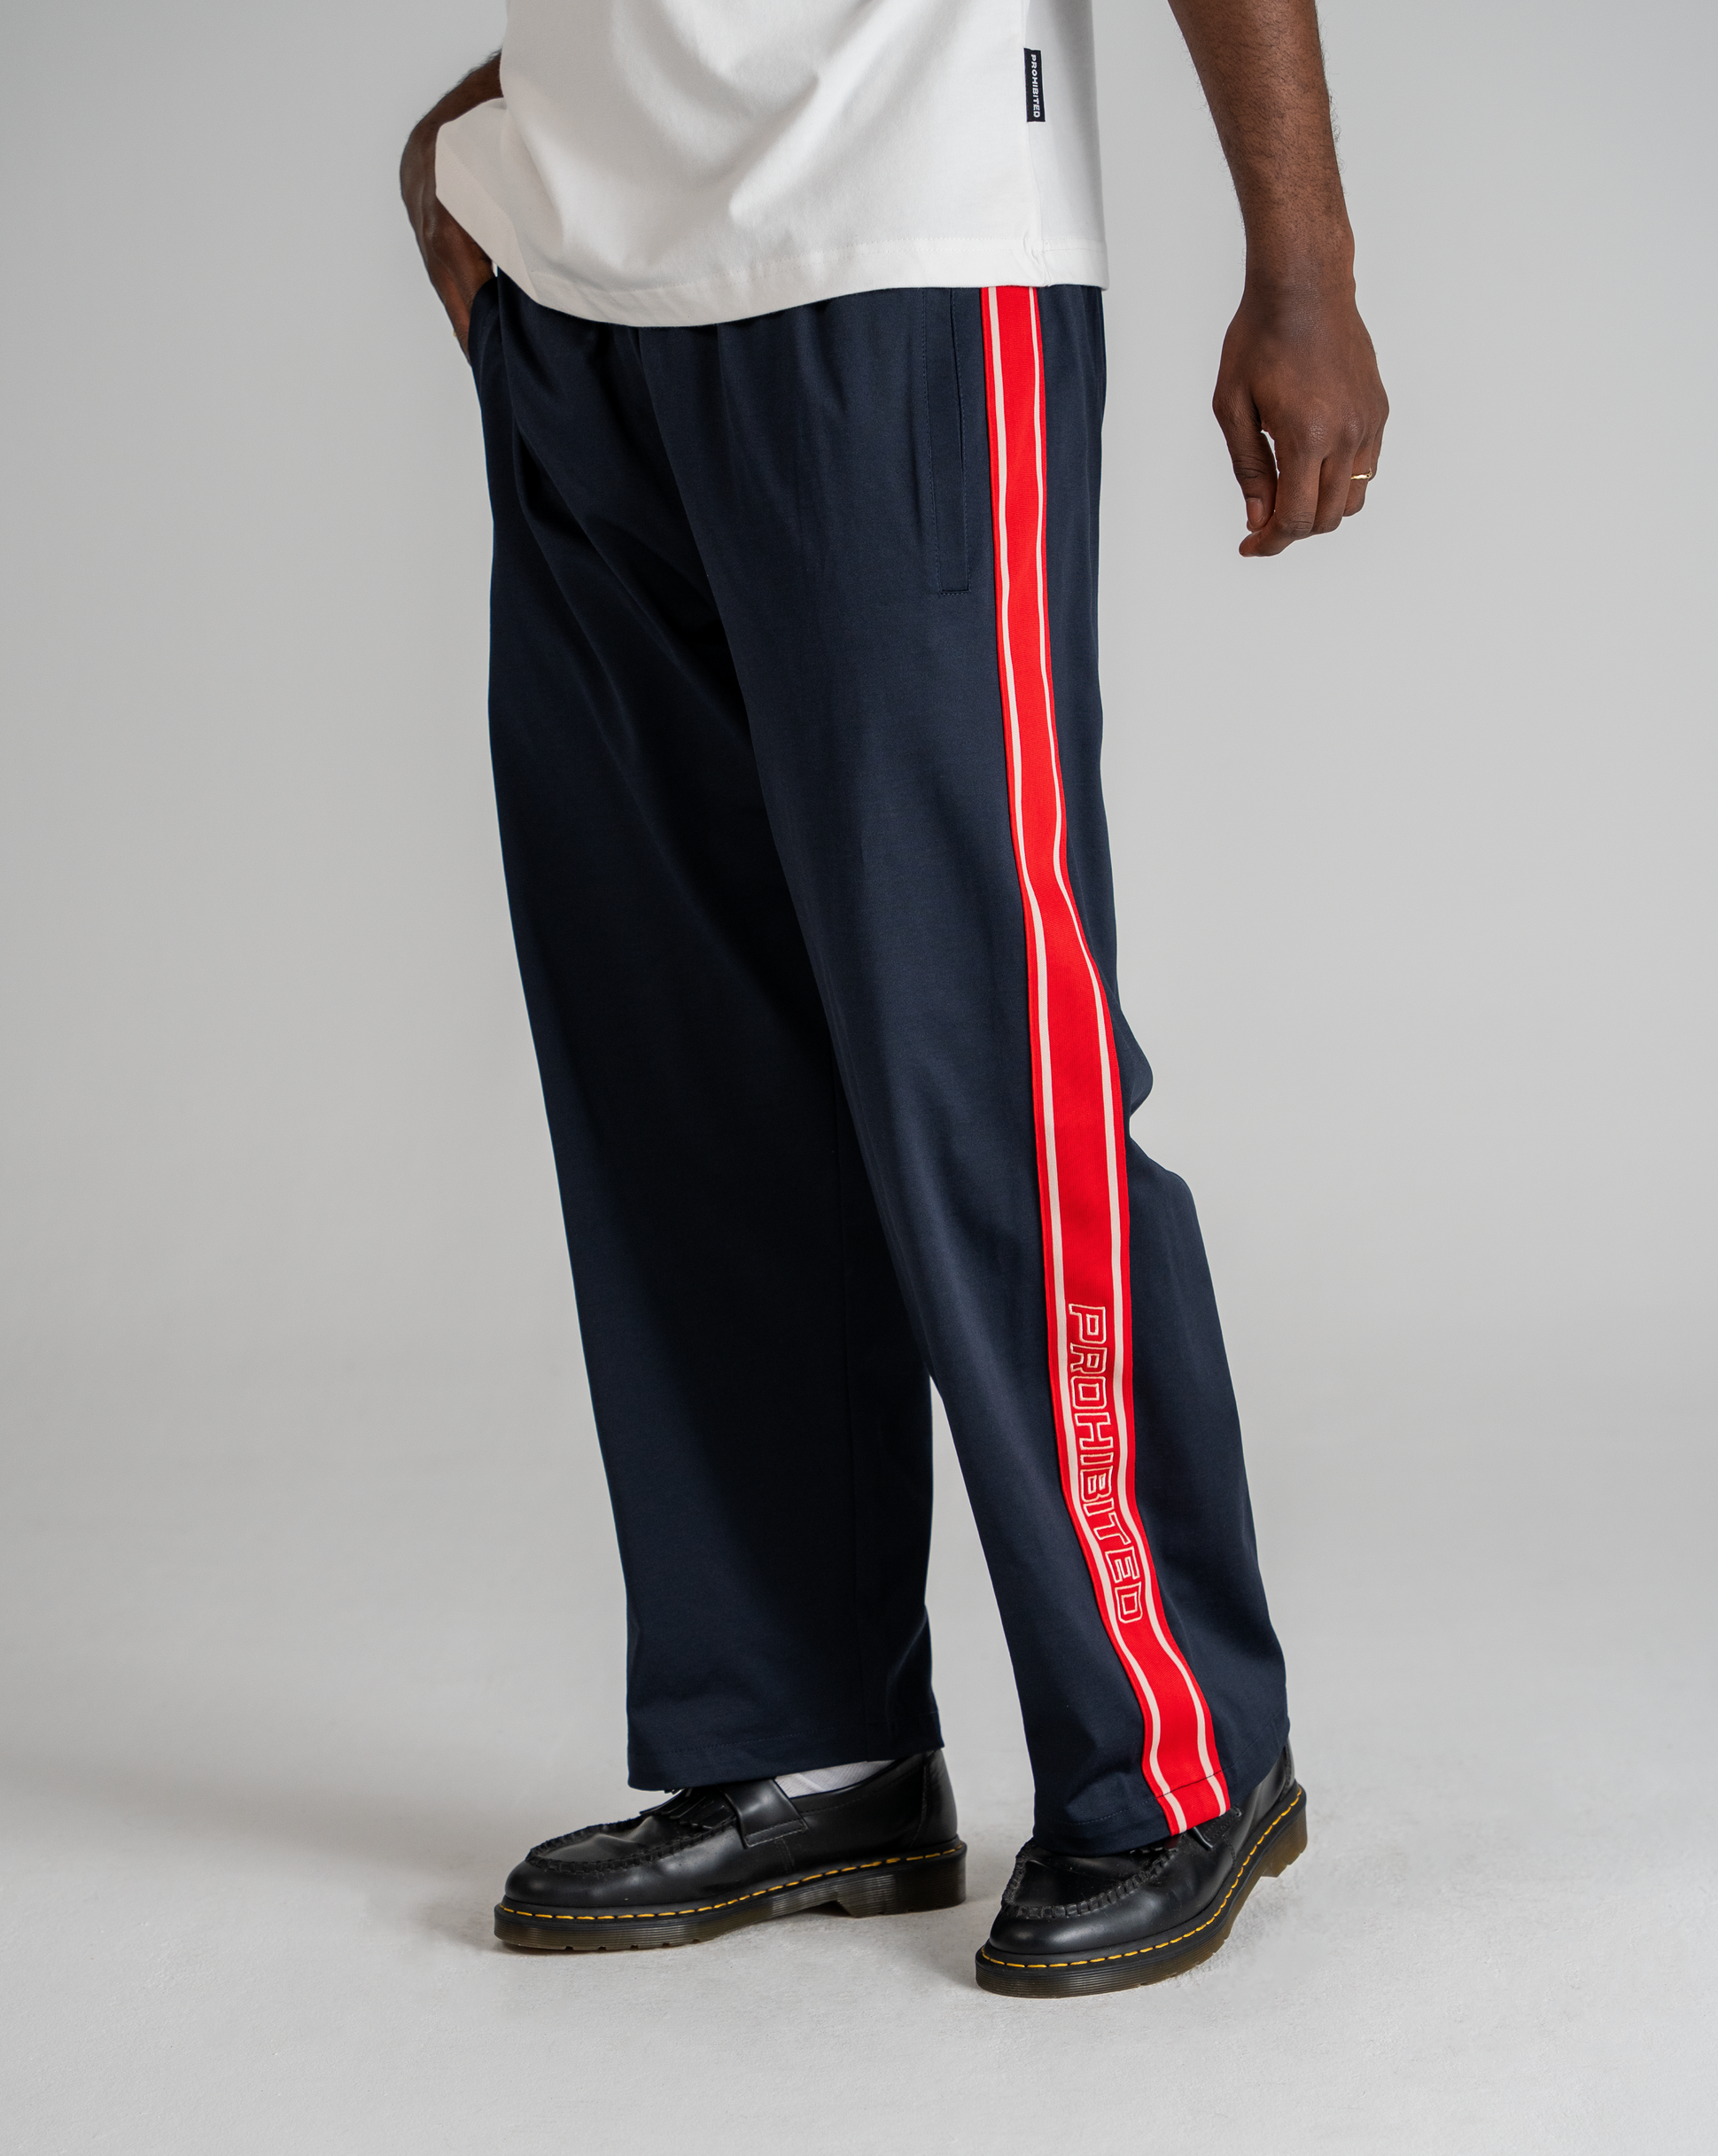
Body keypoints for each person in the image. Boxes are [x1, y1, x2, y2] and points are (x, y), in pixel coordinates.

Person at [400, 0, 1386, 1999]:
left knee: (979, 1053)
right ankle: (806, 1739)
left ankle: (1173, 1749)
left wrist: (1301, 266)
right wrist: (475, 144)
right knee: (678, 1064)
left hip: (898, 253)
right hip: (582, 294)